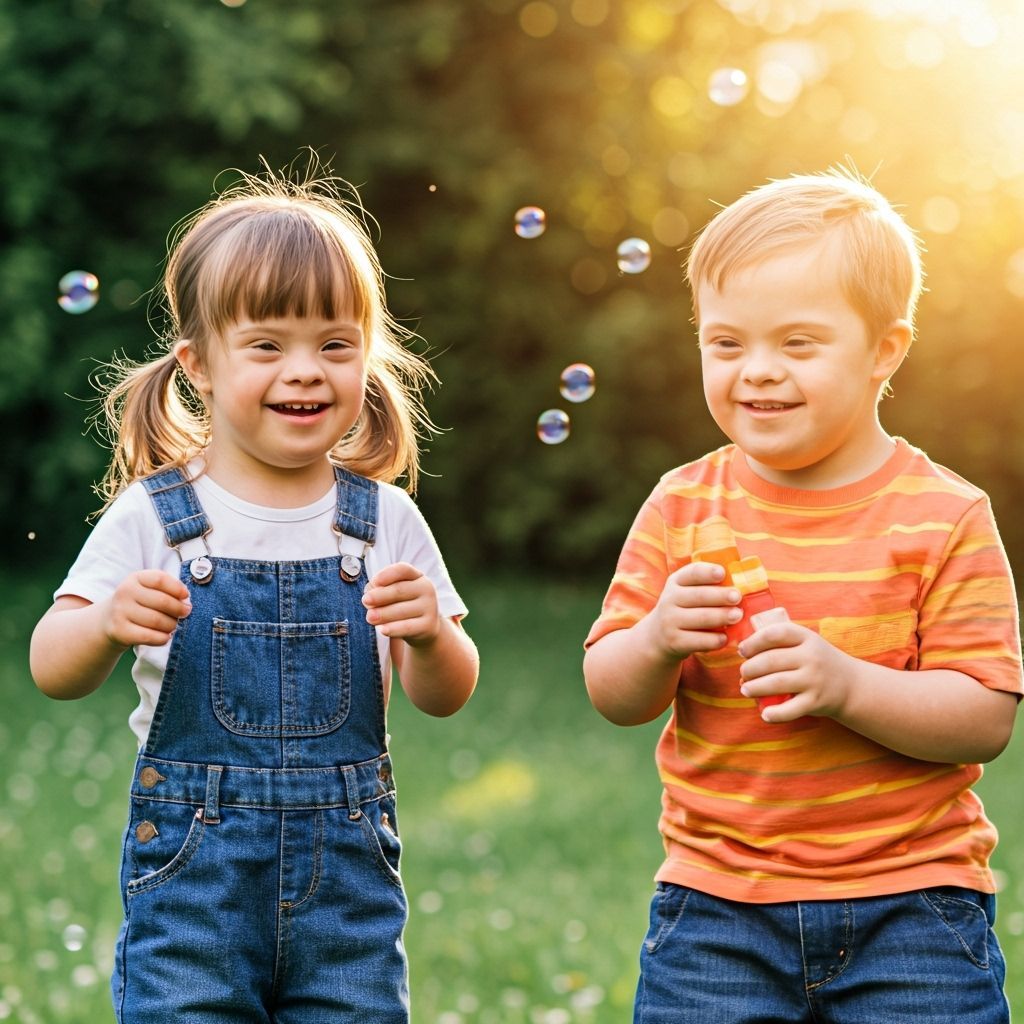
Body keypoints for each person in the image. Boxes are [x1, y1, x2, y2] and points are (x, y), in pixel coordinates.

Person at [30, 161, 479, 1023]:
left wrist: (432, 637)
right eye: (268, 345)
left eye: (335, 344)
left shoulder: (383, 518)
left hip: (347, 906)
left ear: (367, 358)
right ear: (199, 363)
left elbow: (446, 695)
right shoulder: (155, 515)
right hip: (193, 893)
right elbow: (53, 665)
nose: (305, 371)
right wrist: (106, 624)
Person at [583, 167, 1021, 1023]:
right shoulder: (681, 505)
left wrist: (850, 686)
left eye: (798, 343)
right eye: (726, 343)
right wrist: (658, 638)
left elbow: (985, 716)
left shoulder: (945, 516)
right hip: (715, 912)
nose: (757, 372)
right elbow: (611, 691)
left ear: (884, 351)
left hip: (915, 909)